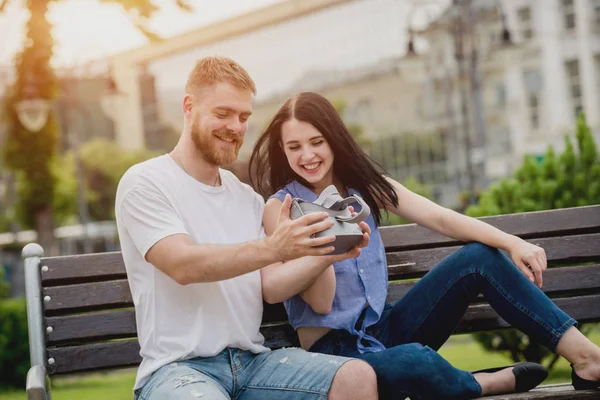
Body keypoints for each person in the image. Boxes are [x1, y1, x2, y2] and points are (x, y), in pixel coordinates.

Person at [248, 91, 600, 399]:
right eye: (294, 146)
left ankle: (588, 359)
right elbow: (321, 304)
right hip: (335, 355)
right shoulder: (281, 209)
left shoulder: (365, 188)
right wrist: (324, 243)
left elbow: (442, 219)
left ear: (334, 140)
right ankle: (481, 383)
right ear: (282, 149)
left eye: (316, 142)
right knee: (413, 360)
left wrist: (512, 242)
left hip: (384, 330)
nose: (307, 155)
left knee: (477, 257)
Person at [115, 58, 380, 400]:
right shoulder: (146, 182)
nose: (235, 127)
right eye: (223, 113)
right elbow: (182, 265)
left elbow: (270, 288)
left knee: (356, 377)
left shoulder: (247, 199)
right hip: (179, 370)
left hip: (255, 363)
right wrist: (274, 248)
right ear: (188, 106)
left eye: (243, 117)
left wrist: (328, 252)